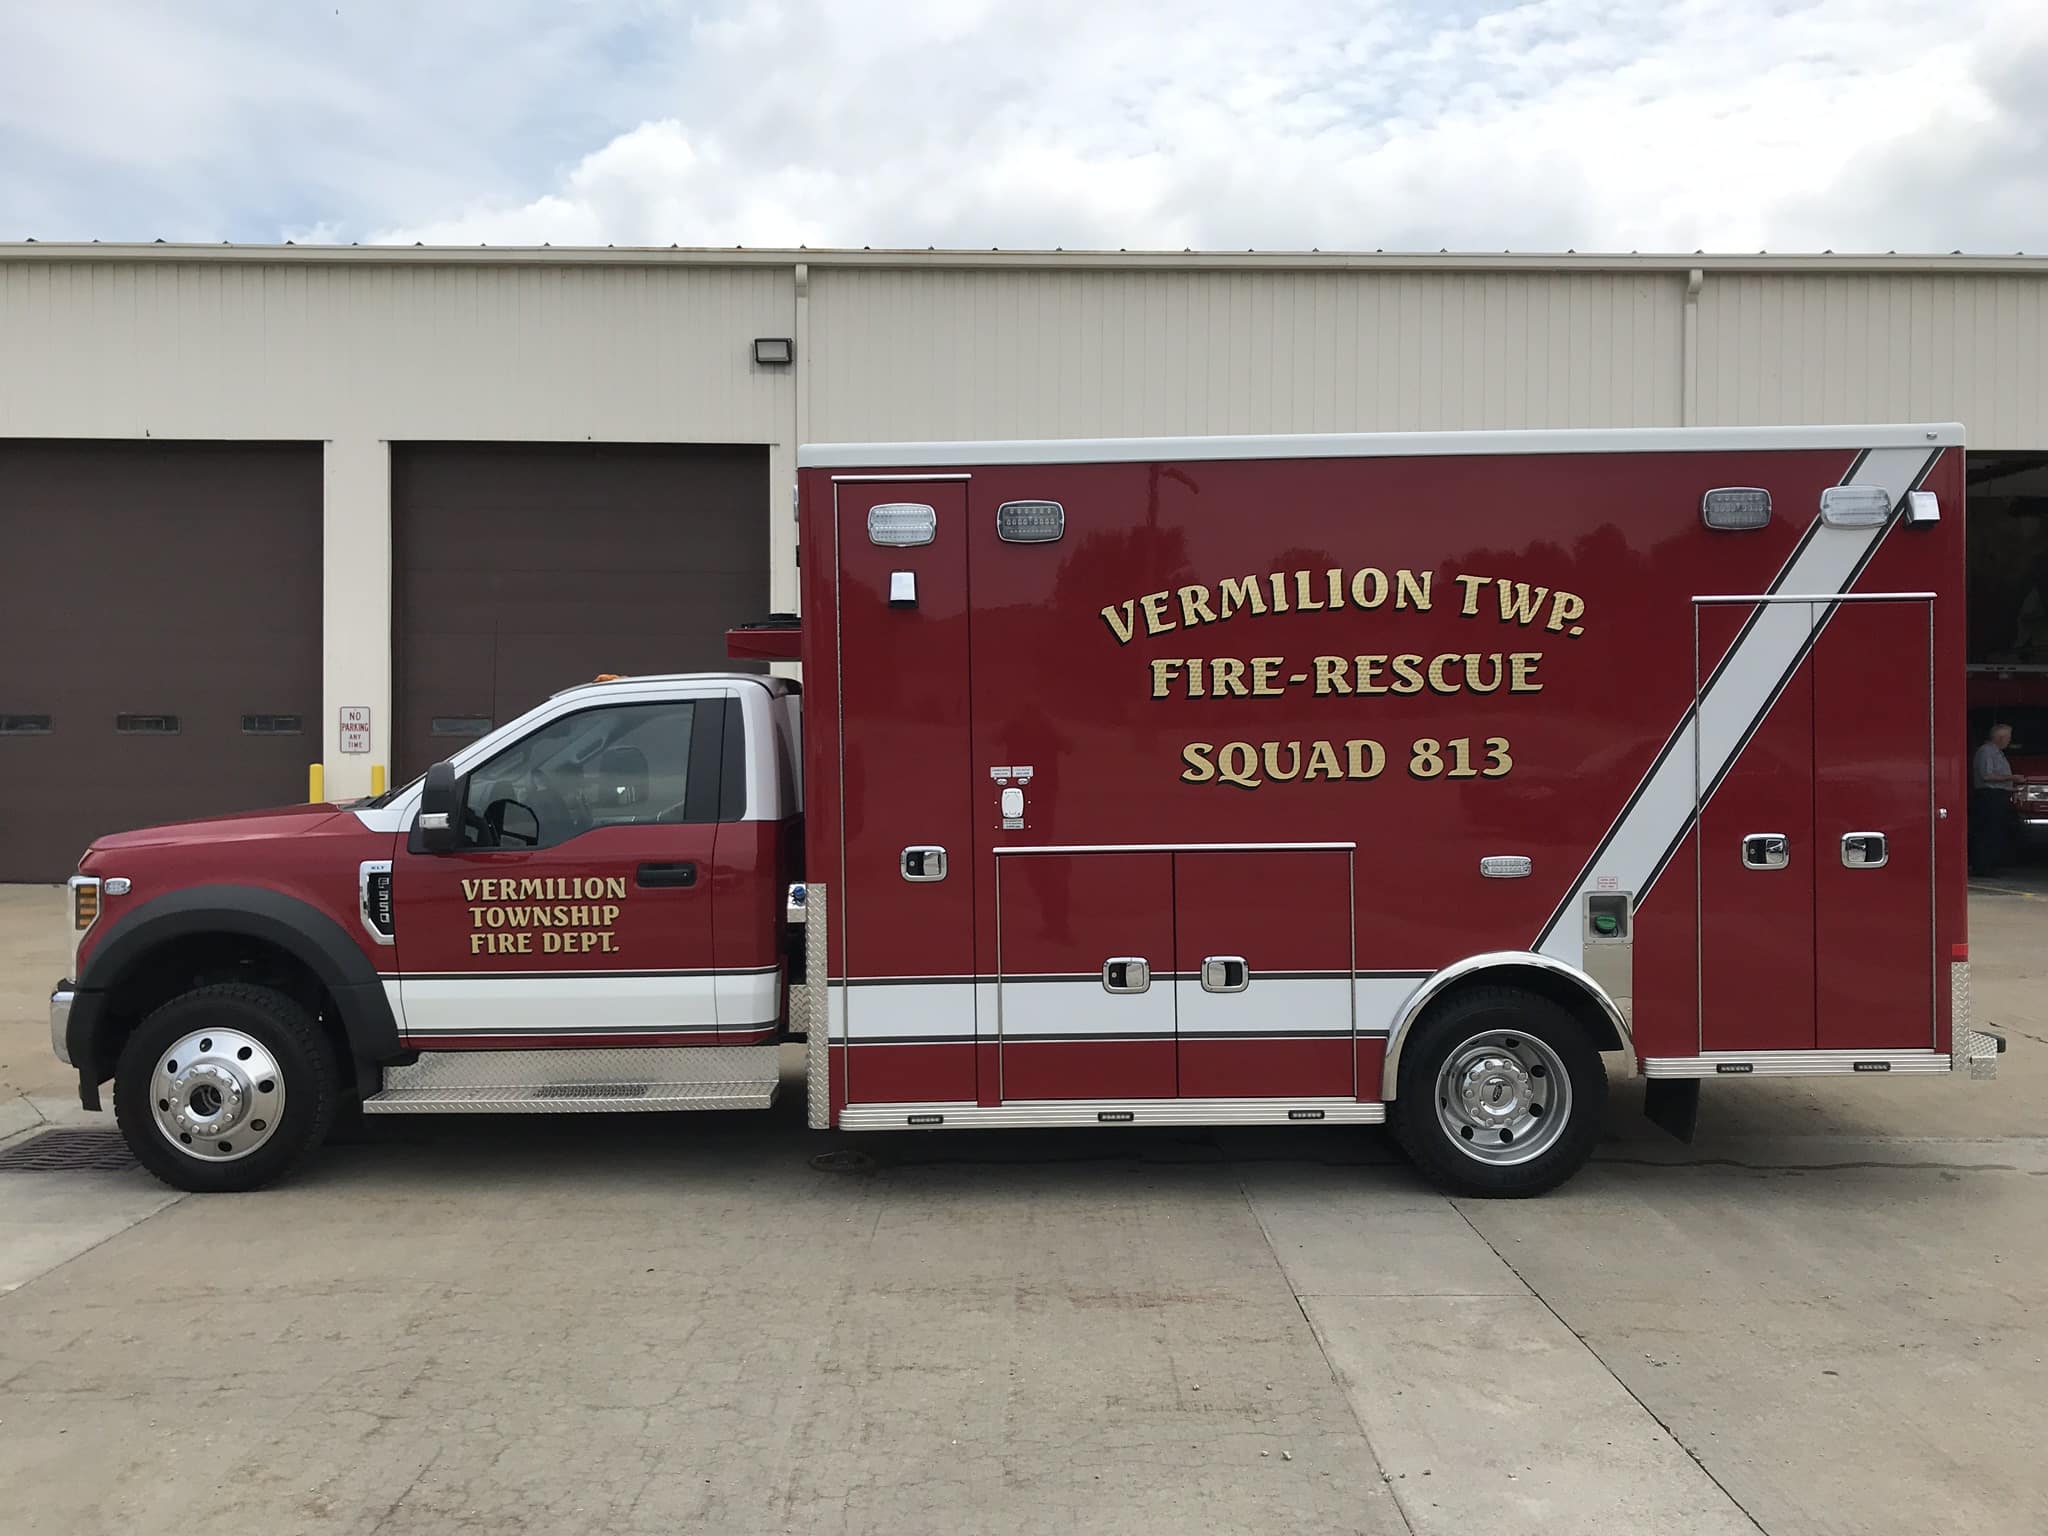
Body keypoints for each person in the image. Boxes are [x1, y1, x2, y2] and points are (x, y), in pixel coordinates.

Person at [1970, 722, 2017, 875]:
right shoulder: (1986, 752)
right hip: (1989, 796)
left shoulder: (1998, 752)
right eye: (2008, 737)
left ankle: (1991, 864)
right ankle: (1982, 866)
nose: (2009, 740)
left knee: (1996, 831)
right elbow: (1986, 775)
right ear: (2000, 737)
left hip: (1999, 795)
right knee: (1987, 831)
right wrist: (2011, 777)